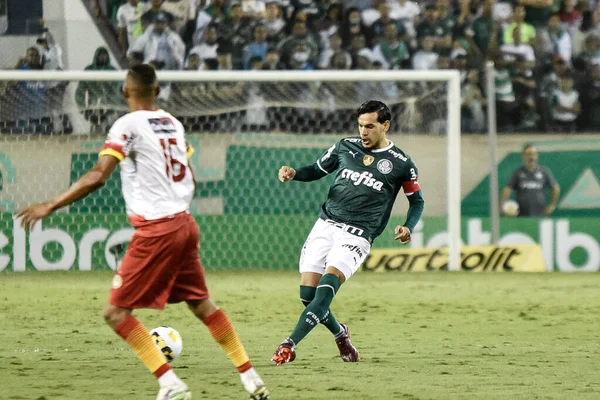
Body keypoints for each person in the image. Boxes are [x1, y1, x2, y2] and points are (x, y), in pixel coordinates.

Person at [16, 64, 270, 400]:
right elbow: (190, 175)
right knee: (201, 304)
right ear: (159, 90)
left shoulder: (127, 124)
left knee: (116, 313)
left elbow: (98, 176)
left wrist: (49, 205)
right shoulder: (174, 124)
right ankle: (251, 377)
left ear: (125, 91)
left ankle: (171, 384)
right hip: (184, 222)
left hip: (157, 229)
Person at [271, 100, 425, 365]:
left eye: (370, 126)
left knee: (326, 289)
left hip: (358, 235)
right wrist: (294, 172)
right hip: (326, 225)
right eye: (360, 126)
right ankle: (340, 334)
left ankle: (290, 344)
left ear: (385, 125)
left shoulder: (401, 164)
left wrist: (408, 227)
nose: (363, 132)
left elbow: (417, 200)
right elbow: (316, 170)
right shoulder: (345, 146)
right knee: (307, 297)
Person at [500, 143, 561, 217]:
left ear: (537, 156)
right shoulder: (518, 173)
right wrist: (502, 207)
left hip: (540, 214)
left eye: (534, 154)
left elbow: (555, 188)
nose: (531, 157)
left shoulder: (544, 172)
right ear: (523, 156)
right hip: (521, 215)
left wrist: (552, 205)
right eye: (528, 154)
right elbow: (506, 190)